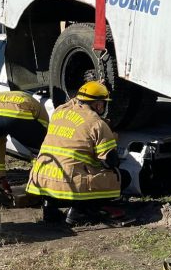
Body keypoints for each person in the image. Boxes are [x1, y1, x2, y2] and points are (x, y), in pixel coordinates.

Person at [27, 81, 122, 225]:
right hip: (69, 185)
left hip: (41, 180)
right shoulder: (97, 124)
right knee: (120, 177)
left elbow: (75, 101)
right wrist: (112, 140)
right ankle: (79, 211)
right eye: (103, 103)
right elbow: (110, 162)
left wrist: (92, 87)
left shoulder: (59, 111)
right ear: (98, 105)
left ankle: (50, 208)